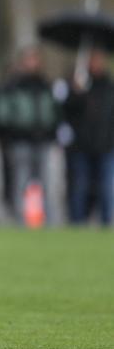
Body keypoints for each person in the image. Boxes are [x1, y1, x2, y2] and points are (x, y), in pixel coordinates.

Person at [0, 47, 60, 225]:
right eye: (29, 60)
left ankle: (49, 221)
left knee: (46, 182)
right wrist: (13, 130)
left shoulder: (45, 84)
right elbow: (3, 113)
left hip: (43, 140)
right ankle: (20, 220)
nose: (32, 63)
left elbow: (54, 111)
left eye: (35, 59)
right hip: (20, 140)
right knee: (20, 181)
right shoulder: (13, 85)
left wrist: (51, 130)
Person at [63, 48, 114, 225]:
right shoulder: (79, 84)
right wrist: (76, 92)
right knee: (80, 187)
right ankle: (78, 222)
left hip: (106, 145)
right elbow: (67, 111)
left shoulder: (108, 86)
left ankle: (107, 222)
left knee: (107, 188)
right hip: (81, 146)